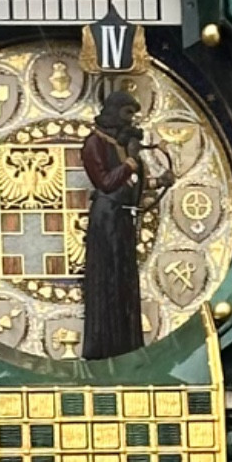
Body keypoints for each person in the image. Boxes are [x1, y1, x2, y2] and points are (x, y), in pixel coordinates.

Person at [79, 89, 150, 358]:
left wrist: (157, 181)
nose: (132, 120)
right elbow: (106, 182)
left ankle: (127, 344)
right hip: (106, 219)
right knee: (109, 280)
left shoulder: (119, 144)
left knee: (124, 280)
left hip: (121, 220)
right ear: (113, 112)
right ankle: (104, 345)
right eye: (128, 113)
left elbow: (134, 185)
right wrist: (132, 162)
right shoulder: (94, 144)